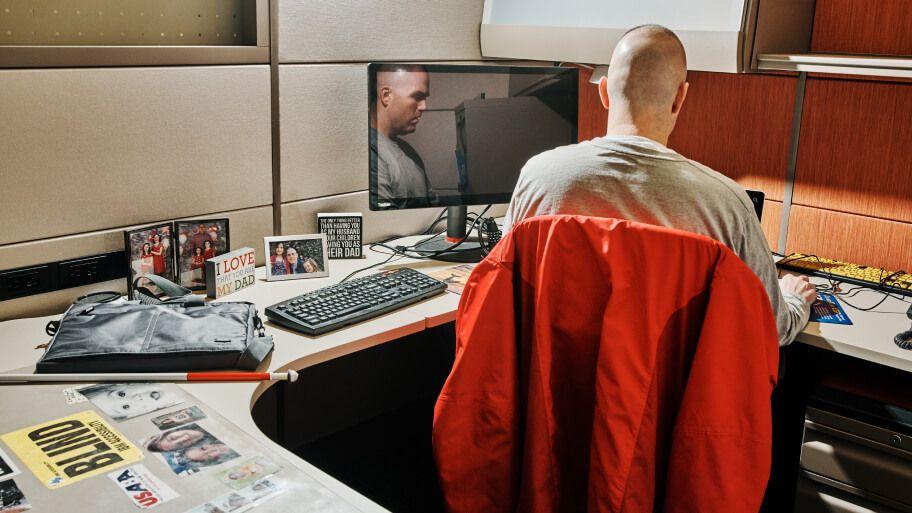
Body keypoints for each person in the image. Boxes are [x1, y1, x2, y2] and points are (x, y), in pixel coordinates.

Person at [503, 24, 815, 346]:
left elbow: (503, 294)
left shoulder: (538, 177)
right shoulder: (726, 203)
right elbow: (772, 329)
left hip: (555, 387)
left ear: (604, 93)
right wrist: (794, 301)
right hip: (666, 395)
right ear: (680, 97)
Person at [371, 64, 439, 208]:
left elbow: (434, 211)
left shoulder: (409, 152)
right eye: (417, 96)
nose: (424, 107)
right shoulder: (369, 153)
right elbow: (383, 223)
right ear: (386, 96)